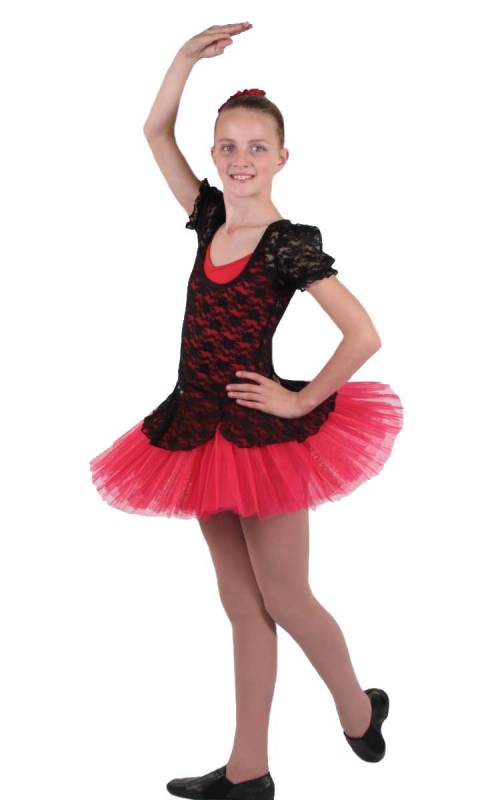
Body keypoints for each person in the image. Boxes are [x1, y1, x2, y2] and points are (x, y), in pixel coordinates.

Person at [89, 21, 403, 800]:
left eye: (256, 148)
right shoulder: (209, 218)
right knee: (240, 605)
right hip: (196, 429)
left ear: (281, 158)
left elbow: (363, 334)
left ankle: (358, 709)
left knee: (285, 596)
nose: (240, 159)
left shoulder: (285, 243)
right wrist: (184, 59)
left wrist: (301, 397)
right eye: (227, 146)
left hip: (262, 438)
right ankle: (248, 770)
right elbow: (154, 131)